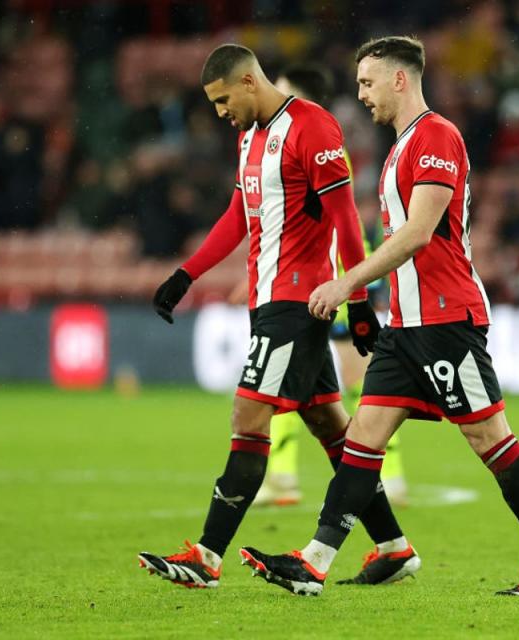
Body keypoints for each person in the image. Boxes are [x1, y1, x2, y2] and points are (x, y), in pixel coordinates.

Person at [239, 36, 519, 597]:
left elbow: (419, 234)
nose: (360, 94)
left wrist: (349, 281)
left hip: (447, 322)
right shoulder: (400, 146)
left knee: (491, 440)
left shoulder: (437, 137)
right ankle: (315, 562)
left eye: (367, 83)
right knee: (362, 440)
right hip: (405, 327)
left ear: (401, 79)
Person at [139, 44, 420, 589]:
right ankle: (393, 547)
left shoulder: (312, 127)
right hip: (270, 303)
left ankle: (207, 557)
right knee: (331, 428)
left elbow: (344, 219)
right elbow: (236, 216)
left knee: (248, 418)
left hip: (297, 305)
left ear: (248, 81)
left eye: (223, 100)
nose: (220, 112)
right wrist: (186, 273)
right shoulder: (248, 138)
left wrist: (357, 302)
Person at [252, 63, 409, 508]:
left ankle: (386, 474)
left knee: (356, 386)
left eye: (280, 89)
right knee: (293, 385)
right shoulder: (284, 140)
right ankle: (283, 476)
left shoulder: (320, 137)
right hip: (311, 281)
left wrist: (357, 290)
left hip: (339, 277)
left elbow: (347, 219)